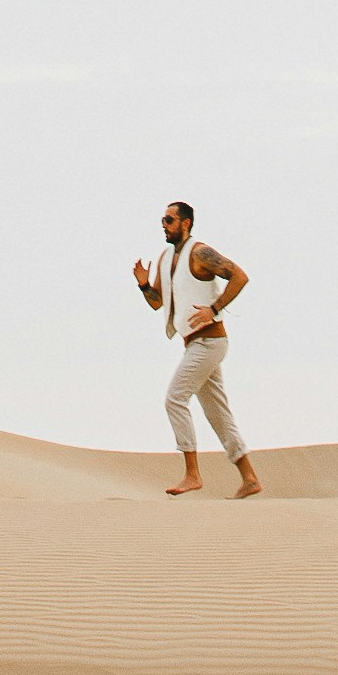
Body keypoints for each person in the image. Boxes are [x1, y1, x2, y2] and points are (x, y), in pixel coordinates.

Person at [132, 198, 260, 496]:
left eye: (169, 220)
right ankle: (250, 478)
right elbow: (158, 303)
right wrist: (142, 285)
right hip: (194, 344)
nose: (163, 225)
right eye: (162, 220)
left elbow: (239, 276)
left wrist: (214, 308)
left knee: (175, 398)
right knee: (217, 413)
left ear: (185, 223)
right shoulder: (165, 259)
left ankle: (192, 475)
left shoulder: (200, 253)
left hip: (210, 341)